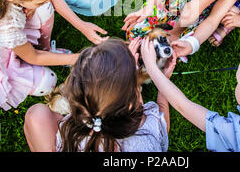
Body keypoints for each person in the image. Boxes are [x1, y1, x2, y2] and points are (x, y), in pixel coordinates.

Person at [24, 38, 172, 152]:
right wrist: (163, 81)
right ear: (132, 103)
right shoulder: (148, 132)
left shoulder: (72, 133)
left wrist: (126, 77)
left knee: (36, 114)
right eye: (134, 86)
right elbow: (162, 122)